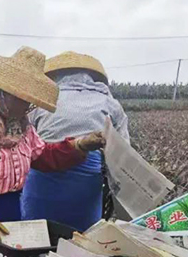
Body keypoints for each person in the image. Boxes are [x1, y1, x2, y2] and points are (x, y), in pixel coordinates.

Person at [0, 46, 105, 257]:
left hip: (8, 213)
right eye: (21, 98)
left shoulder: (22, 129)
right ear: (2, 93)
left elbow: (44, 156)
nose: (25, 105)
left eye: (28, 100)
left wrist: (80, 145)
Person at [22, 52, 129, 231]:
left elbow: (23, 145)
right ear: (93, 78)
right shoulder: (109, 103)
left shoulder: (41, 102)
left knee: (36, 237)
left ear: (54, 78)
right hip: (85, 185)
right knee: (82, 239)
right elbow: (124, 153)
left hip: (42, 176)